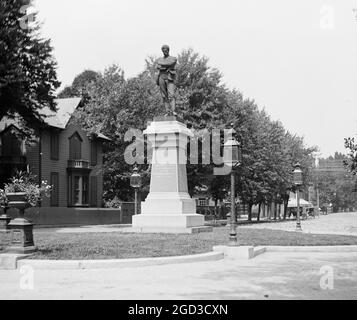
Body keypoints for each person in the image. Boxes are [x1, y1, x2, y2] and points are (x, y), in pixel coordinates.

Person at [155, 45, 177, 116]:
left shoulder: (173, 58)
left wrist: (161, 65)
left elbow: (170, 63)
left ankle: (173, 111)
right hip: (161, 77)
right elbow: (157, 66)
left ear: (168, 50)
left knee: (171, 95)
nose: (165, 51)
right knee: (164, 95)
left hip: (169, 77)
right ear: (162, 51)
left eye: (166, 50)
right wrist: (163, 67)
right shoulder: (159, 59)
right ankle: (167, 111)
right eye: (164, 50)